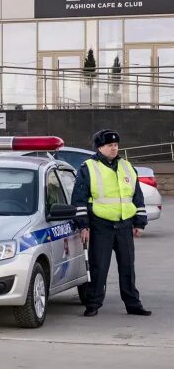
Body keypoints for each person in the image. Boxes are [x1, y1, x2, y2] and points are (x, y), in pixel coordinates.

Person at [71, 129, 150, 318]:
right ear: (100, 147)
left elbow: (136, 196)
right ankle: (93, 304)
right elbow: (79, 199)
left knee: (127, 267)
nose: (114, 148)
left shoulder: (127, 166)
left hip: (124, 225)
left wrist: (140, 222)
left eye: (116, 145)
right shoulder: (88, 167)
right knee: (99, 267)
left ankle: (133, 304)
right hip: (101, 225)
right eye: (110, 145)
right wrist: (84, 225)